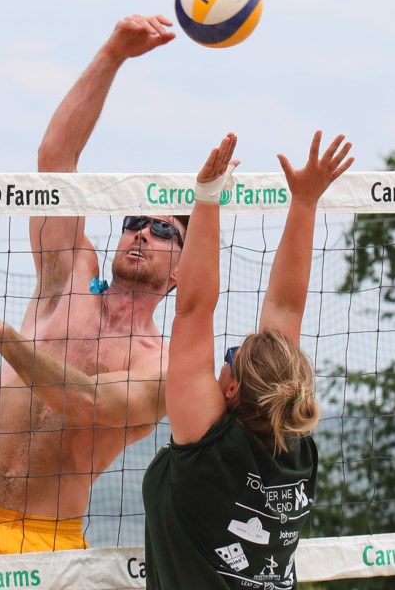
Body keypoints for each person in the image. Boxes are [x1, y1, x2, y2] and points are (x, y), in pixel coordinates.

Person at [0, 14, 184, 559]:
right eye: (134, 221)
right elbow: (56, 160)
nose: (143, 231)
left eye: (164, 228)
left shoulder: (163, 366)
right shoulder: (69, 278)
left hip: (44, 547)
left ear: (180, 272)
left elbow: (85, 401)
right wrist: (114, 53)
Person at [142, 130, 354, 589]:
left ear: (233, 388)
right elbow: (284, 309)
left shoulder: (213, 452)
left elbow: (195, 306)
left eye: (231, 358)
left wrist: (207, 198)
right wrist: (303, 202)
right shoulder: (291, 447)